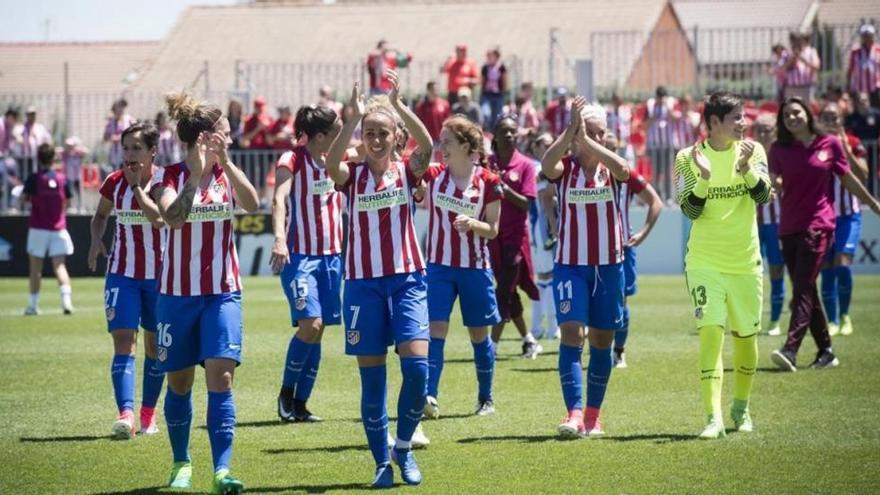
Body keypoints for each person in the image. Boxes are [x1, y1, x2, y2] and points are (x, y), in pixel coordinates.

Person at [324, 72, 431, 488]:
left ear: (394, 136)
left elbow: (427, 145)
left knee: (418, 371)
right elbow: (331, 164)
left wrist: (399, 105)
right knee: (373, 381)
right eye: (369, 132)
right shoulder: (351, 177)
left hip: (407, 280)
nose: (375, 139)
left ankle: (401, 448)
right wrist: (353, 116)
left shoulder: (408, 171)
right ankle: (381, 463)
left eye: (382, 132)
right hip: (363, 286)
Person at [150, 92, 260, 494]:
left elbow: (253, 202)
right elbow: (172, 219)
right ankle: (181, 462)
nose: (229, 139)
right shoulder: (170, 176)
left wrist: (226, 164)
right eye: (225, 135)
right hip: (176, 296)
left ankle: (222, 471)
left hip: (222, 293)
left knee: (222, 376)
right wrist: (195, 176)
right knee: (179, 384)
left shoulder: (227, 174)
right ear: (204, 138)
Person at [673, 91, 770, 439]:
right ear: (714, 123)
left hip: (745, 263)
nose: (743, 123)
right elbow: (689, 210)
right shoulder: (686, 157)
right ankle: (712, 417)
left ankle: (741, 408)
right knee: (711, 335)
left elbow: (764, 196)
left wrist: (745, 171)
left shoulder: (754, 151)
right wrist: (703, 177)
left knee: (746, 338)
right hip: (704, 262)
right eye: (736, 118)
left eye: (743, 116)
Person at [541, 97, 632, 438]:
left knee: (601, 340)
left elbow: (625, 170)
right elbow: (547, 164)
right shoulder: (565, 169)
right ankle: (574, 413)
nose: (597, 138)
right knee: (571, 332)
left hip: (609, 266)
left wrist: (592, 142)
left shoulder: (612, 168)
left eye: (602, 132)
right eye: (589, 132)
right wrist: (569, 134)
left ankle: (594, 416)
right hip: (571, 265)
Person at [768, 97, 880, 372]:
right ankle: (826, 351)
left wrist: (873, 203)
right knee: (807, 290)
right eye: (786, 116)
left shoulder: (829, 144)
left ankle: (791, 349)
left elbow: (848, 178)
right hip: (788, 228)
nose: (791, 118)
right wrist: (773, 182)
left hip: (819, 226)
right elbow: (774, 183)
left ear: (807, 113)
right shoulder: (778, 149)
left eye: (796, 112)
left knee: (803, 288)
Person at [419, 115, 503, 421]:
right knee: (435, 330)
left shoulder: (489, 182)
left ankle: (486, 397)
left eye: (448, 141)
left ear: (467, 145)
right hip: (439, 267)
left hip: (475, 268)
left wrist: (473, 224)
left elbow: (493, 229)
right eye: (441, 141)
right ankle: (430, 396)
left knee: (479, 335)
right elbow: (411, 185)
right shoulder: (433, 176)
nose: (442, 147)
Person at [88, 122, 167, 439]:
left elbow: (160, 219)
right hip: (122, 274)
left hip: (161, 276)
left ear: (152, 151)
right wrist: (96, 239)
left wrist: (137, 187)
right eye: (126, 148)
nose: (130, 154)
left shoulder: (166, 182)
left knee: (155, 346)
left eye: (137, 148)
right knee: (124, 341)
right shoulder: (113, 182)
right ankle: (126, 414)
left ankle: (148, 414)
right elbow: (100, 216)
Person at [268, 105, 343, 424]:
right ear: (320, 135)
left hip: (333, 256)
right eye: (336, 130)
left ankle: (300, 404)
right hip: (301, 257)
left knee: (320, 329)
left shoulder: (336, 159)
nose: (342, 136)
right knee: (310, 325)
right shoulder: (293, 160)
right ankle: (286, 394)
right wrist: (280, 239)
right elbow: (279, 199)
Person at [608, 132, 663, 369]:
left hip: (621, 246)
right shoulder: (581, 172)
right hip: (588, 249)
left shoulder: (626, 174)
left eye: (611, 148)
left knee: (621, 302)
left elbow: (655, 202)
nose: (607, 153)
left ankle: (619, 350)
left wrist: (642, 232)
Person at [488, 115, 541, 359]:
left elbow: (527, 204)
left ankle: (491, 345)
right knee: (508, 291)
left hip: (515, 239)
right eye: (504, 131)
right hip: (491, 237)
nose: (509, 135)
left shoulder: (526, 165)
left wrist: (504, 188)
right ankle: (529, 340)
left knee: (503, 291)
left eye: (512, 131)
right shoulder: (487, 163)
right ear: (495, 135)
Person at [817, 103, 870, 337]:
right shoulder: (816, 146)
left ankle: (845, 315)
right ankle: (833, 320)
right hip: (824, 216)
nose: (831, 122)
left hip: (849, 214)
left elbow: (864, 175)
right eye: (826, 118)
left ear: (842, 120)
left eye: (834, 117)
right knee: (826, 267)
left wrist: (845, 150)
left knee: (843, 262)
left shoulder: (854, 142)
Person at [21, 142, 74, 316]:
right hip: (58, 229)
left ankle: (32, 306)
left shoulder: (33, 178)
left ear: (39, 158)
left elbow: (23, 200)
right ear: (53, 158)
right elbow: (68, 201)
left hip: (38, 229)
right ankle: (66, 303)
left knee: (35, 269)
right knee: (60, 267)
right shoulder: (61, 178)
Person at [752, 114, 786, 336]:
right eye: (760, 130)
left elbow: (786, 183)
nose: (763, 134)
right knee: (749, 273)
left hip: (776, 222)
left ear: (775, 131)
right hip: (752, 224)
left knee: (776, 270)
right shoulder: (748, 153)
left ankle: (774, 321)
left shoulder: (782, 153)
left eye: (768, 129)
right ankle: (751, 321)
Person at [529, 132, 559, 340]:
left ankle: (540, 327)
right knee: (547, 276)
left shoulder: (550, 169)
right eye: (544, 144)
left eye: (551, 143)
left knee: (546, 277)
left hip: (548, 224)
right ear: (536, 147)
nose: (548, 147)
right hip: (541, 226)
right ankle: (548, 327)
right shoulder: (536, 169)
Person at [645, 86, 677, 200]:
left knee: (667, 171)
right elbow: (644, 125)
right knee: (655, 172)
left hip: (667, 144)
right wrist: (653, 116)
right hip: (654, 145)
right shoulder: (650, 106)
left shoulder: (671, 104)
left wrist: (667, 109)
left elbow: (675, 119)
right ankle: (656, 195)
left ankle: (668, 196)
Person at [846, 24, 880, 109]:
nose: (867, 38)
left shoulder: (878, 50)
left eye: (869, 36)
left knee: (876, 111)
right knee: (861, 112)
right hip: (859, 88)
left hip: (876, 87)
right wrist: (848, 86)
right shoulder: (855, 51)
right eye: (865, 36)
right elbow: (850, 70)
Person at [780, 30, 821, 101]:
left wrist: (803, 60)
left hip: (806, 87)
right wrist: (792, 59)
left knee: (806, 110)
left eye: (799, 40)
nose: (796, 43)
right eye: (794, 40)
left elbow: (817, 67)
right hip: (791, 87)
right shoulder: (786, 53)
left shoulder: (811, 52)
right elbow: (781, 69)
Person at [103, 99, 135, 174]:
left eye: (122, 107)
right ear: (114, 109)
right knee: (117, 174)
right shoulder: (110, 122)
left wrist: (123, 137)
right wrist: (111, 138)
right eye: (119, 107)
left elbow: (136, 131)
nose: (121, 109)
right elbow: (105, 138)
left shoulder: (129, 119)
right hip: (115, 154)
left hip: (128, 152)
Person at [415, 81, 451, 146]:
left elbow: (448, 122)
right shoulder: (421, 106)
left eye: (437, 90)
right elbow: (418, 123)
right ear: (428, 90)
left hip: (442, 139)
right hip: (428, 140)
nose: (436, 92)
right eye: (433, 90)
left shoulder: (445, 104)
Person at [480, 47, 508, 130]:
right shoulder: (485, 67)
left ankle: (493, 133)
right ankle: (487, 129)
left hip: (498, 95)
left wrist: (504, 92)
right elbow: (482, 80)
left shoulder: (501, 67)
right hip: (487, 94)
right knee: (486, 114)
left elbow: (504, 80)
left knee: (497, 117)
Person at [62, 136, 88, 211]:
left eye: (71, 146)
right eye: (68, 146)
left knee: (79, 192)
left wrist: (77, 150)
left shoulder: (78, 153)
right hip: (69, 177)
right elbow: (59, 151)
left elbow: (85, 151)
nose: (69, 147)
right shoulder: (65, 154)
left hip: (77, 177)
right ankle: (71, 207)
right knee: (70, 192)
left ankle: (81, 207)